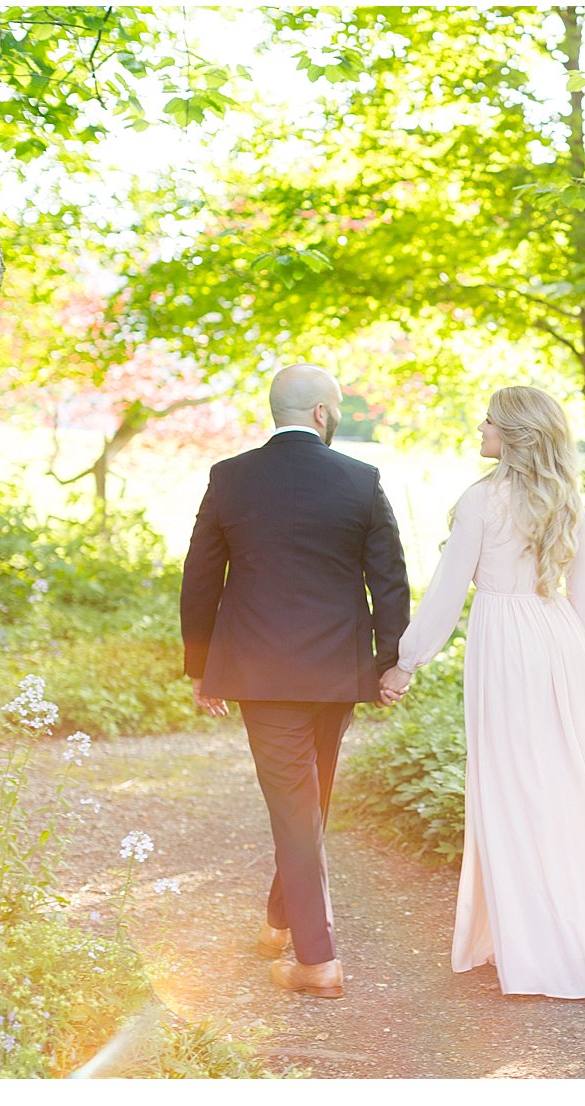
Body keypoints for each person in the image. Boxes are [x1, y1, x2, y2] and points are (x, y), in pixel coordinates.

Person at [379, 385, 585, 999]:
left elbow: (448, 592)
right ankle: (563, 938)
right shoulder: (567, 501)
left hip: (507, 645)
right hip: (562, 644)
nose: (481, 427)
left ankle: (533, 948)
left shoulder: (481, 502)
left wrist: (406, 662)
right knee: (565, 787)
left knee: (512, 786)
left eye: (490, 421)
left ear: (515, 434)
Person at [179, 363, 410, 1000]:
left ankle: (312, 952)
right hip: (337, 670)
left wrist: (202, 666)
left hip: (259, 671)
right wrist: (391, 659)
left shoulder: (230, 478)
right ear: (319, 413)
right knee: (307, 804)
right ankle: (300, 937)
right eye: (336, 406)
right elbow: (389, 577)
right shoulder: (361, 481)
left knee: (297, 808)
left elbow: (200, 577)